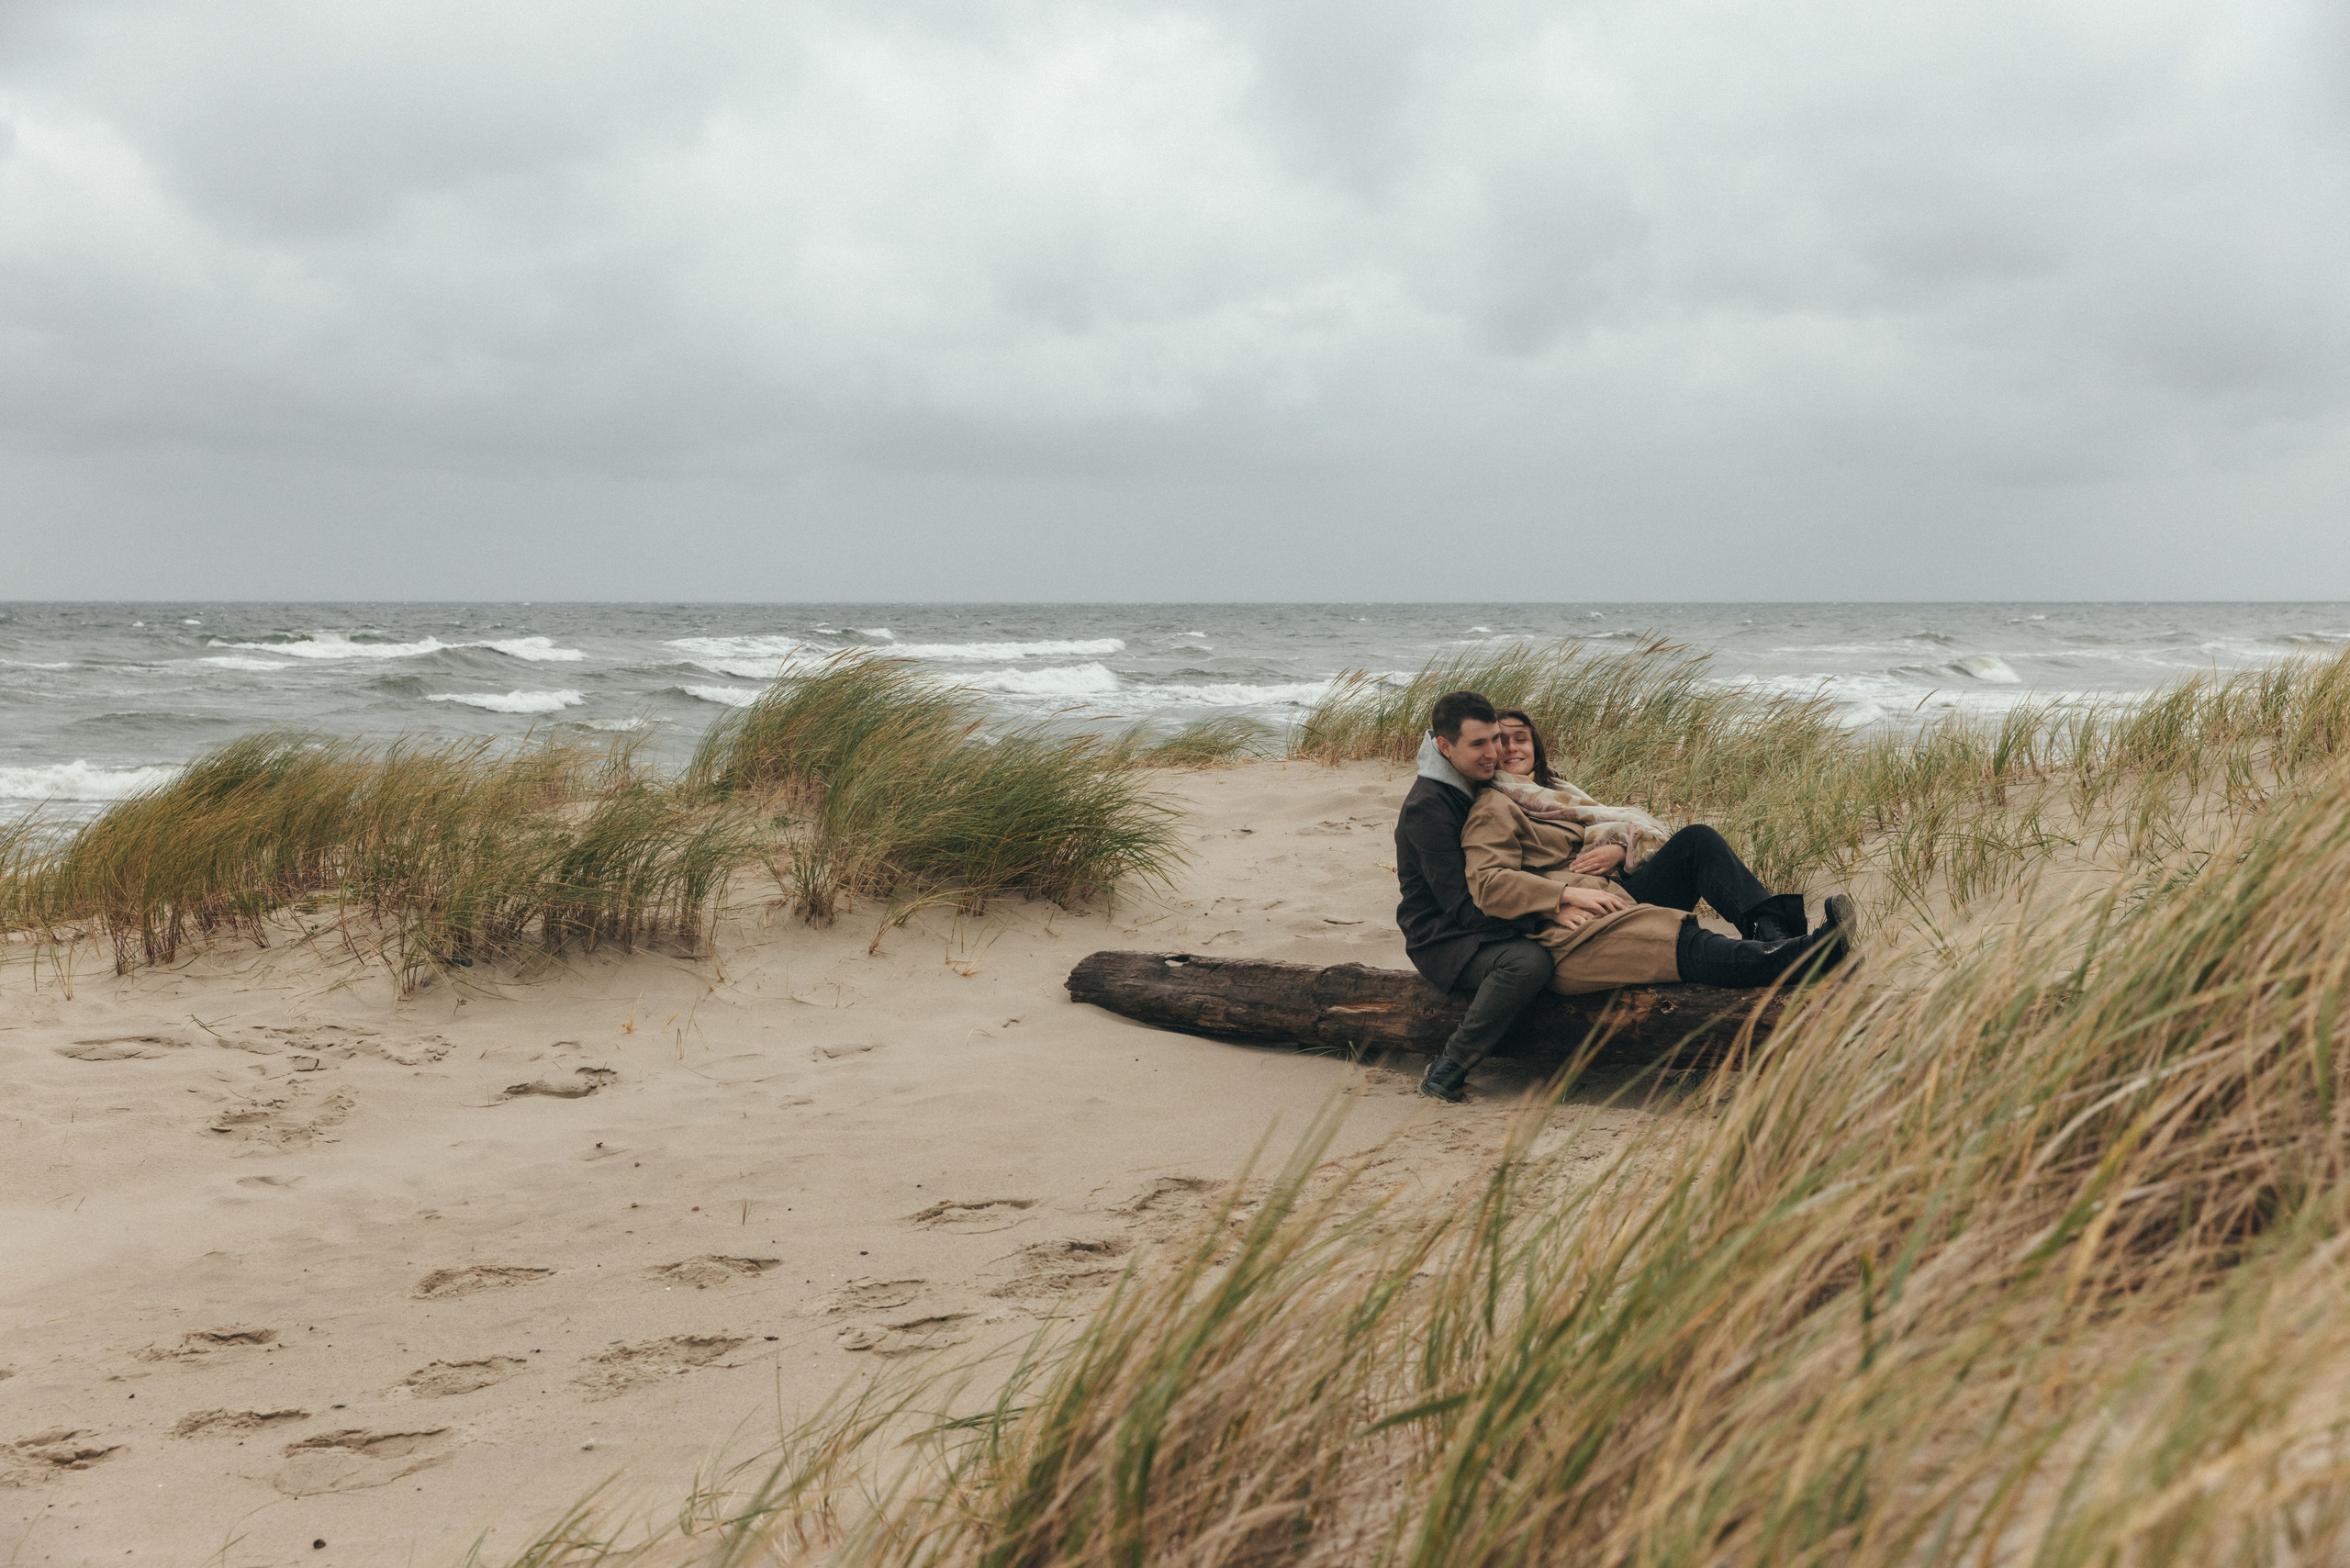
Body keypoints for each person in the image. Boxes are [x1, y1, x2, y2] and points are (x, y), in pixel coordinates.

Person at [1396, 692, 1850, 1103]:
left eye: (1507, 739)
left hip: (1594, 899)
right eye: (1484, 743)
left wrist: (1616, 851)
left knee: (1696, 846)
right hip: (1474, 934)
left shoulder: (1545, 795)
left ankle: (1777, 938)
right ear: (1446, 747)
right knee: (1654, 942)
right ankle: (1799, 957)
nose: (1498, 751)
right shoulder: (1460, 805)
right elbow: (1472, 896)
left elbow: (1570, 846)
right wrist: (1557, 904)